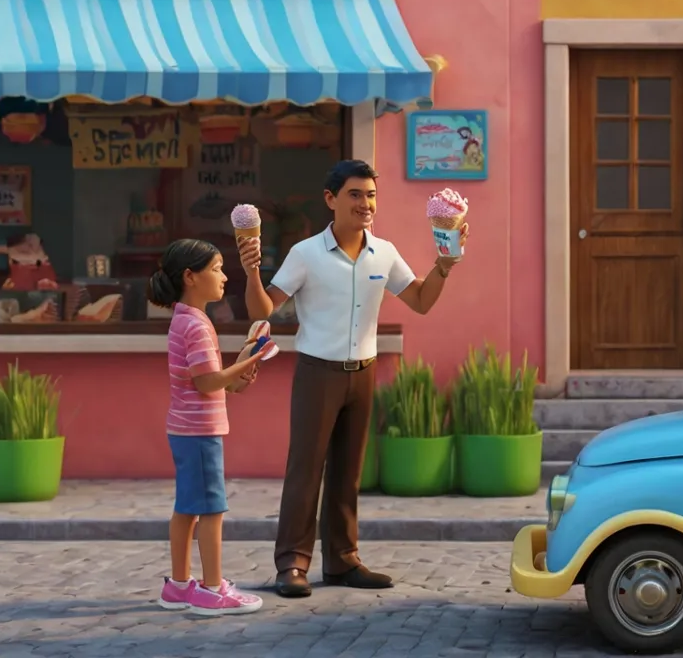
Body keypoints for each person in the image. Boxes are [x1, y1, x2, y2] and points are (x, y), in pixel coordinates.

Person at [237, 159, 467, 598]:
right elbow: (263, 310)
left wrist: (444, 266)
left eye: (371, 195)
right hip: (316, 373)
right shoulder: (305, 254)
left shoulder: (385, 252)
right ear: (331, 200)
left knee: (349, 473)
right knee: (305, 470)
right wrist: (251, 271)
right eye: (355, 195)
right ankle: (292, 564)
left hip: (363, 373)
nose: (366, 204)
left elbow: (419, 301)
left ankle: (343, 561)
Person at [150, 238, 267, 616]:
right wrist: (251, 359)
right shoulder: (196, 326)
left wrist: (240, 373)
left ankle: (180, 585)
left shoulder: (186, 319)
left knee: (187, 509)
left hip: (184, 429)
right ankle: (212, 589)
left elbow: (211, 381)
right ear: (190, 276)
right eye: (216, 268)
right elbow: (206, 382)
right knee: (211, 509)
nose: (223, 276)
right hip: (199, 434)